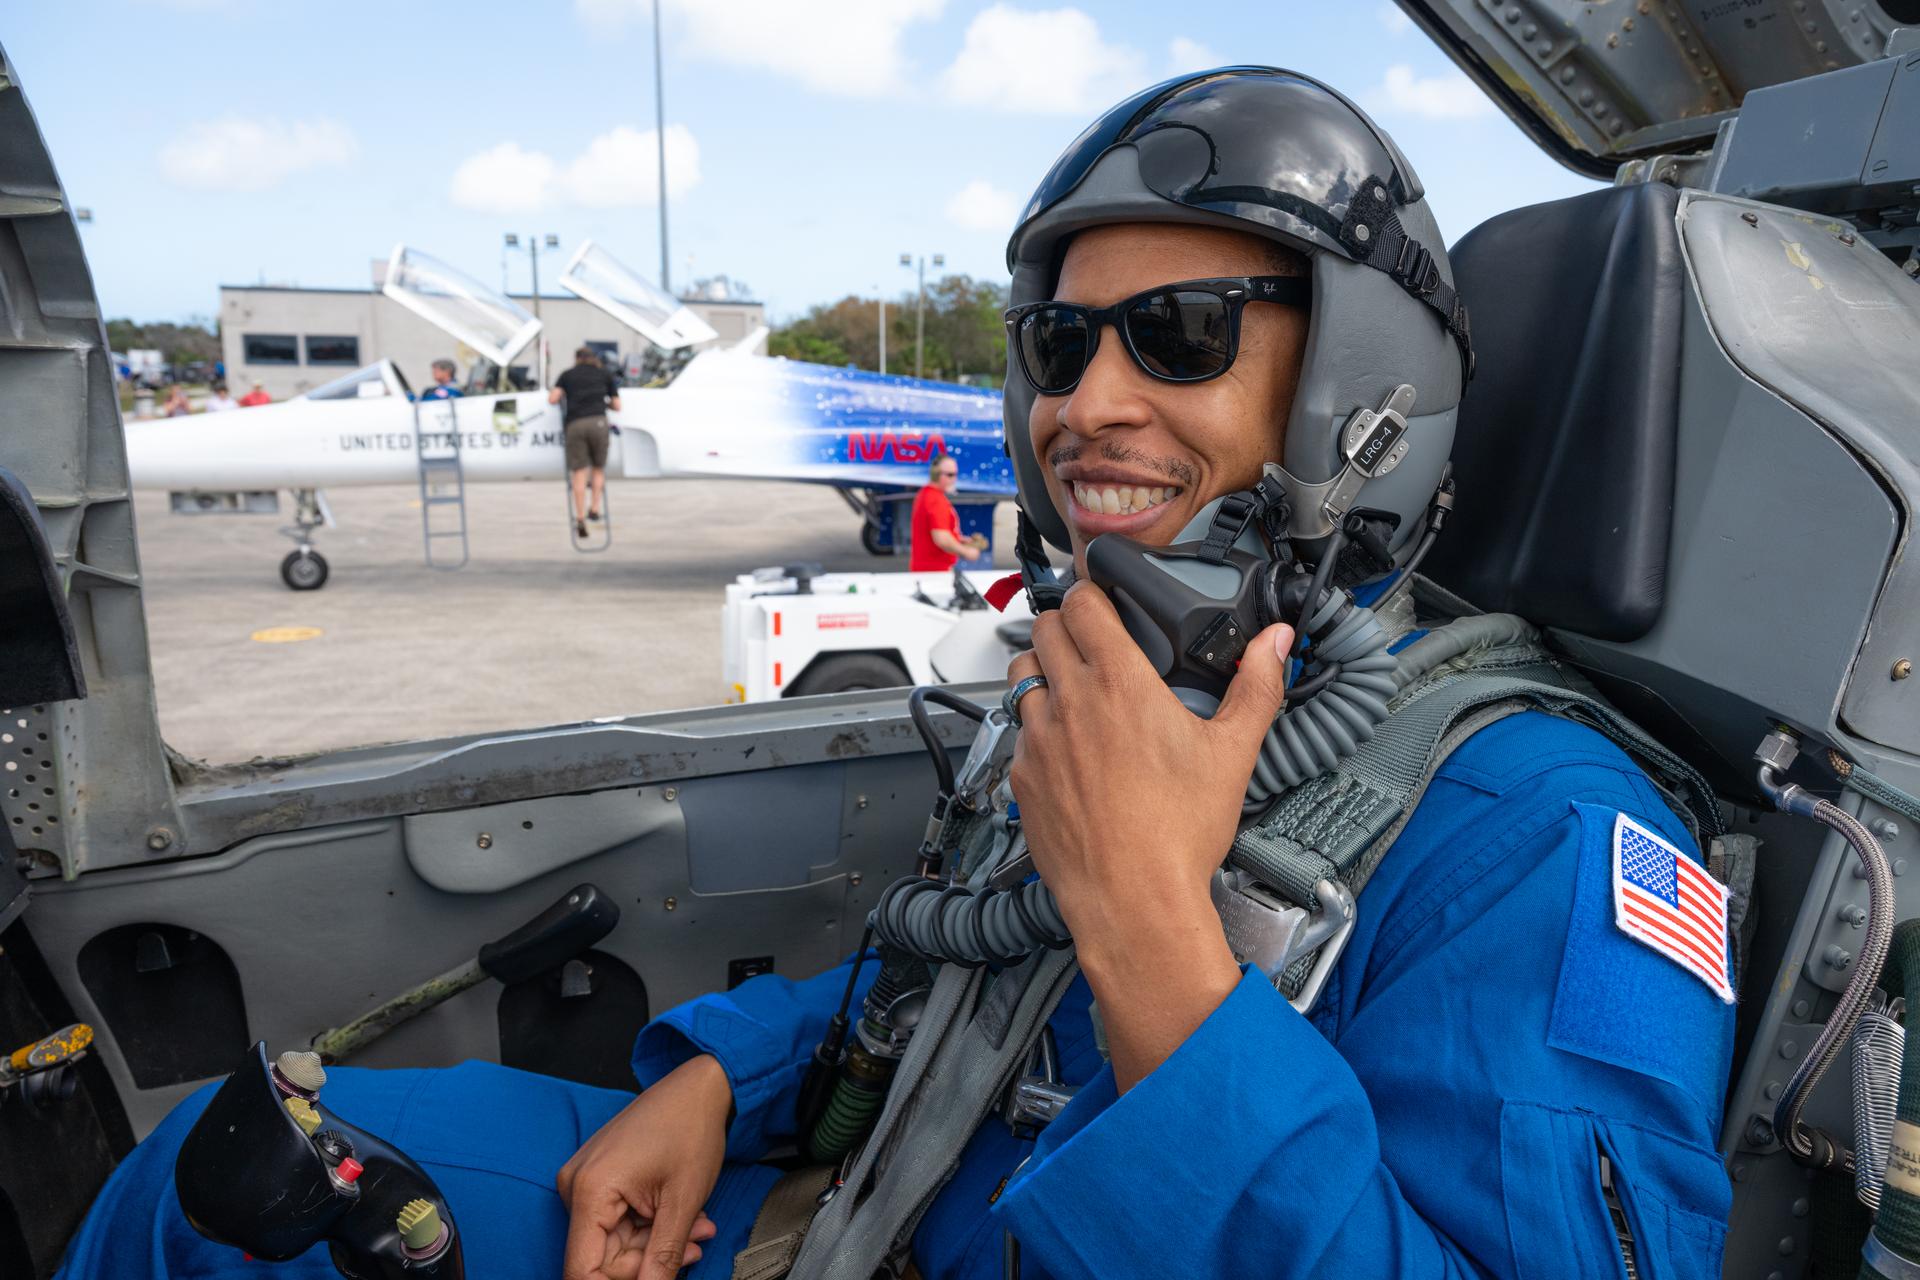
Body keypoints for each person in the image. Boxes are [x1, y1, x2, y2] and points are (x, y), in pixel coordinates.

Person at [59, 69, 1734, 1280]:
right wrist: (723, 1077)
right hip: (867, 1202)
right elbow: (959, 980)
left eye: (1183, 335)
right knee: (203, 1187)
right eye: (1062, 344)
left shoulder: (1542, 832)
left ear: (1359, 398)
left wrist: (1157, 945)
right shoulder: (1125, 683)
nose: (1088, 403)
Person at [550, 347, 621, 538]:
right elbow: (617, 405)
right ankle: (595, 509)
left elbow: (553, 398)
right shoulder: (604, 374)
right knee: (598, 469)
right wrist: (602, 402)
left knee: (579, 473)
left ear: (577, 359)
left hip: (576, 424)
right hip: (599, 422)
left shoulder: (567, 375)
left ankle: (580, 518)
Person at [907, 453, 988, 571]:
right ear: (936, 475)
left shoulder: (925, 494)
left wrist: (958, 539)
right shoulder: (936, 500)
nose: (954, 479)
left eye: (955, 474)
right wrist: (966, 552)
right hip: (935, 571)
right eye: (950, 475)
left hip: (927, 570)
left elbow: (935, 533)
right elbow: (942, 538)